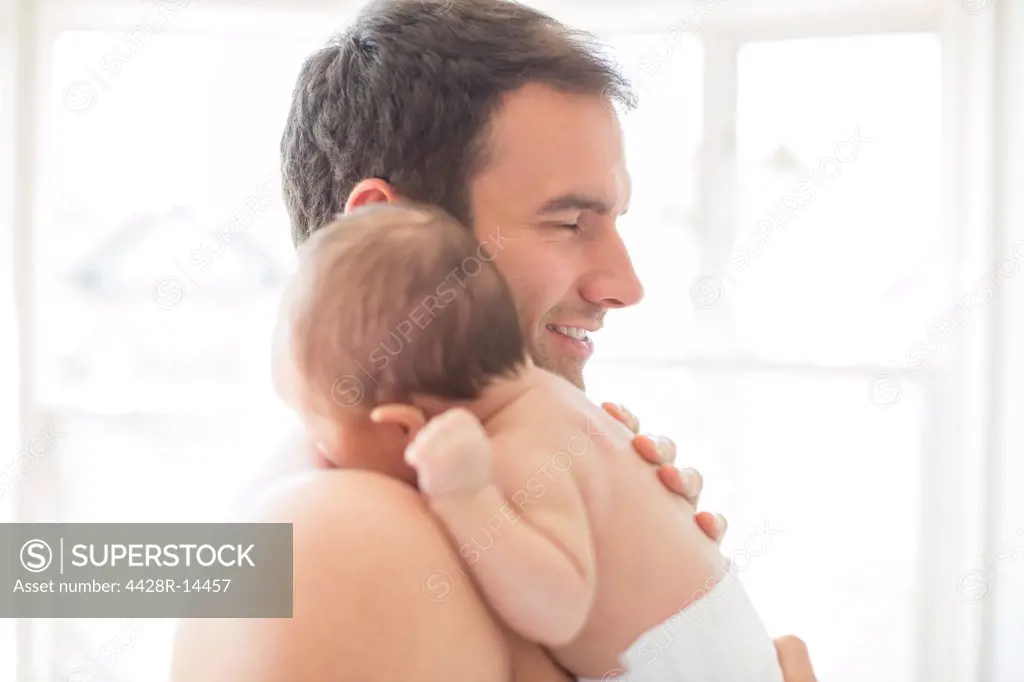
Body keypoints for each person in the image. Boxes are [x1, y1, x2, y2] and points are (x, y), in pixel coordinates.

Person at [171, 0, 819, 680]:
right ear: (381, 228)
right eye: (569, 222)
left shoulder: (469, 502)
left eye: (614, 221)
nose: (626, 285)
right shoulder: (332, 540)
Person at [270, 203, 785, 682]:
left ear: (406, 429)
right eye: (567, 222)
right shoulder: (549, 405)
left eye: (321, 438)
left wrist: (467, 500)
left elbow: (557, 610)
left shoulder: (515, 451)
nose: (314, 455)